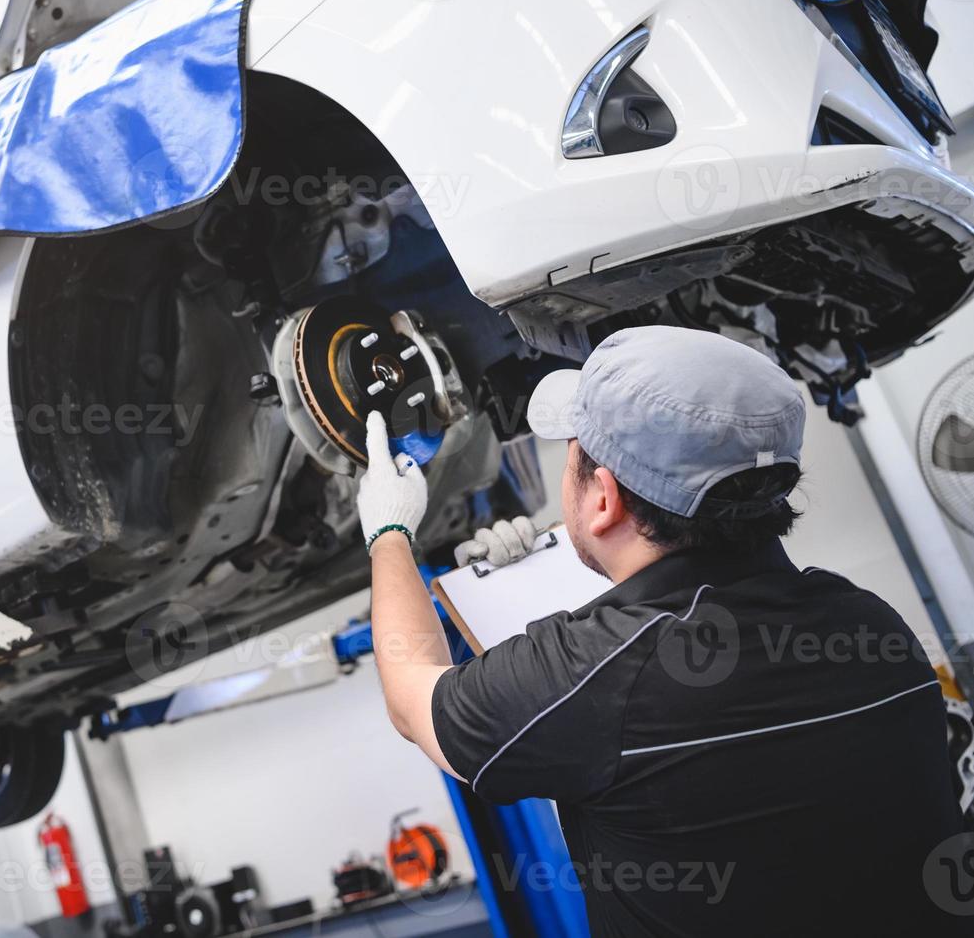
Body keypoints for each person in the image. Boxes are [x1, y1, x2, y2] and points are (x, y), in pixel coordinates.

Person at [358, 325, 969, 936]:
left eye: (574, 449)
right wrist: (531, 583)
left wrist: (389, 532)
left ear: (603, 499)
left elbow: (414, 699)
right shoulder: (868, 626)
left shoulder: (596, 677)